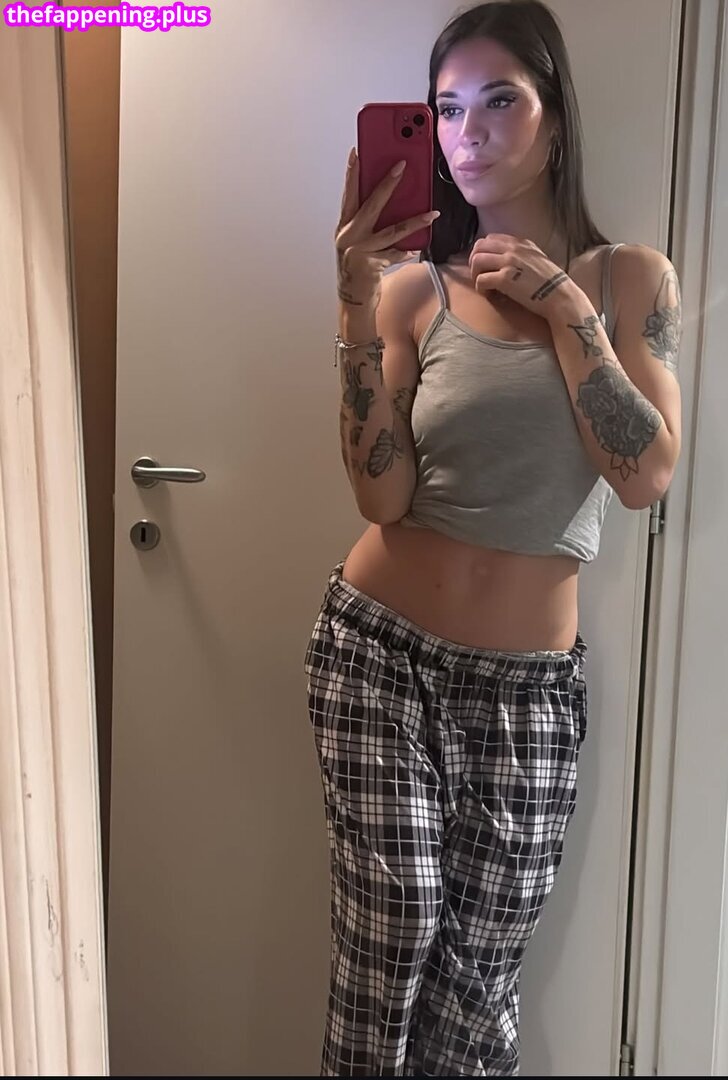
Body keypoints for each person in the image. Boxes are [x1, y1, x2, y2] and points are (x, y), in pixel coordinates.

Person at [304, 1, 682, 1074]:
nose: (465, 134)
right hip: (379, 657)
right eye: (445, 109)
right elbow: (381, 498)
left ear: (555, 119)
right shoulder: (412, 291)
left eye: (498, 102)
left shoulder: (629, 281)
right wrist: (352, 308)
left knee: (475, 995)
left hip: (526, 693)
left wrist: (568, 311)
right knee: (389, 940)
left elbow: (645, 474)